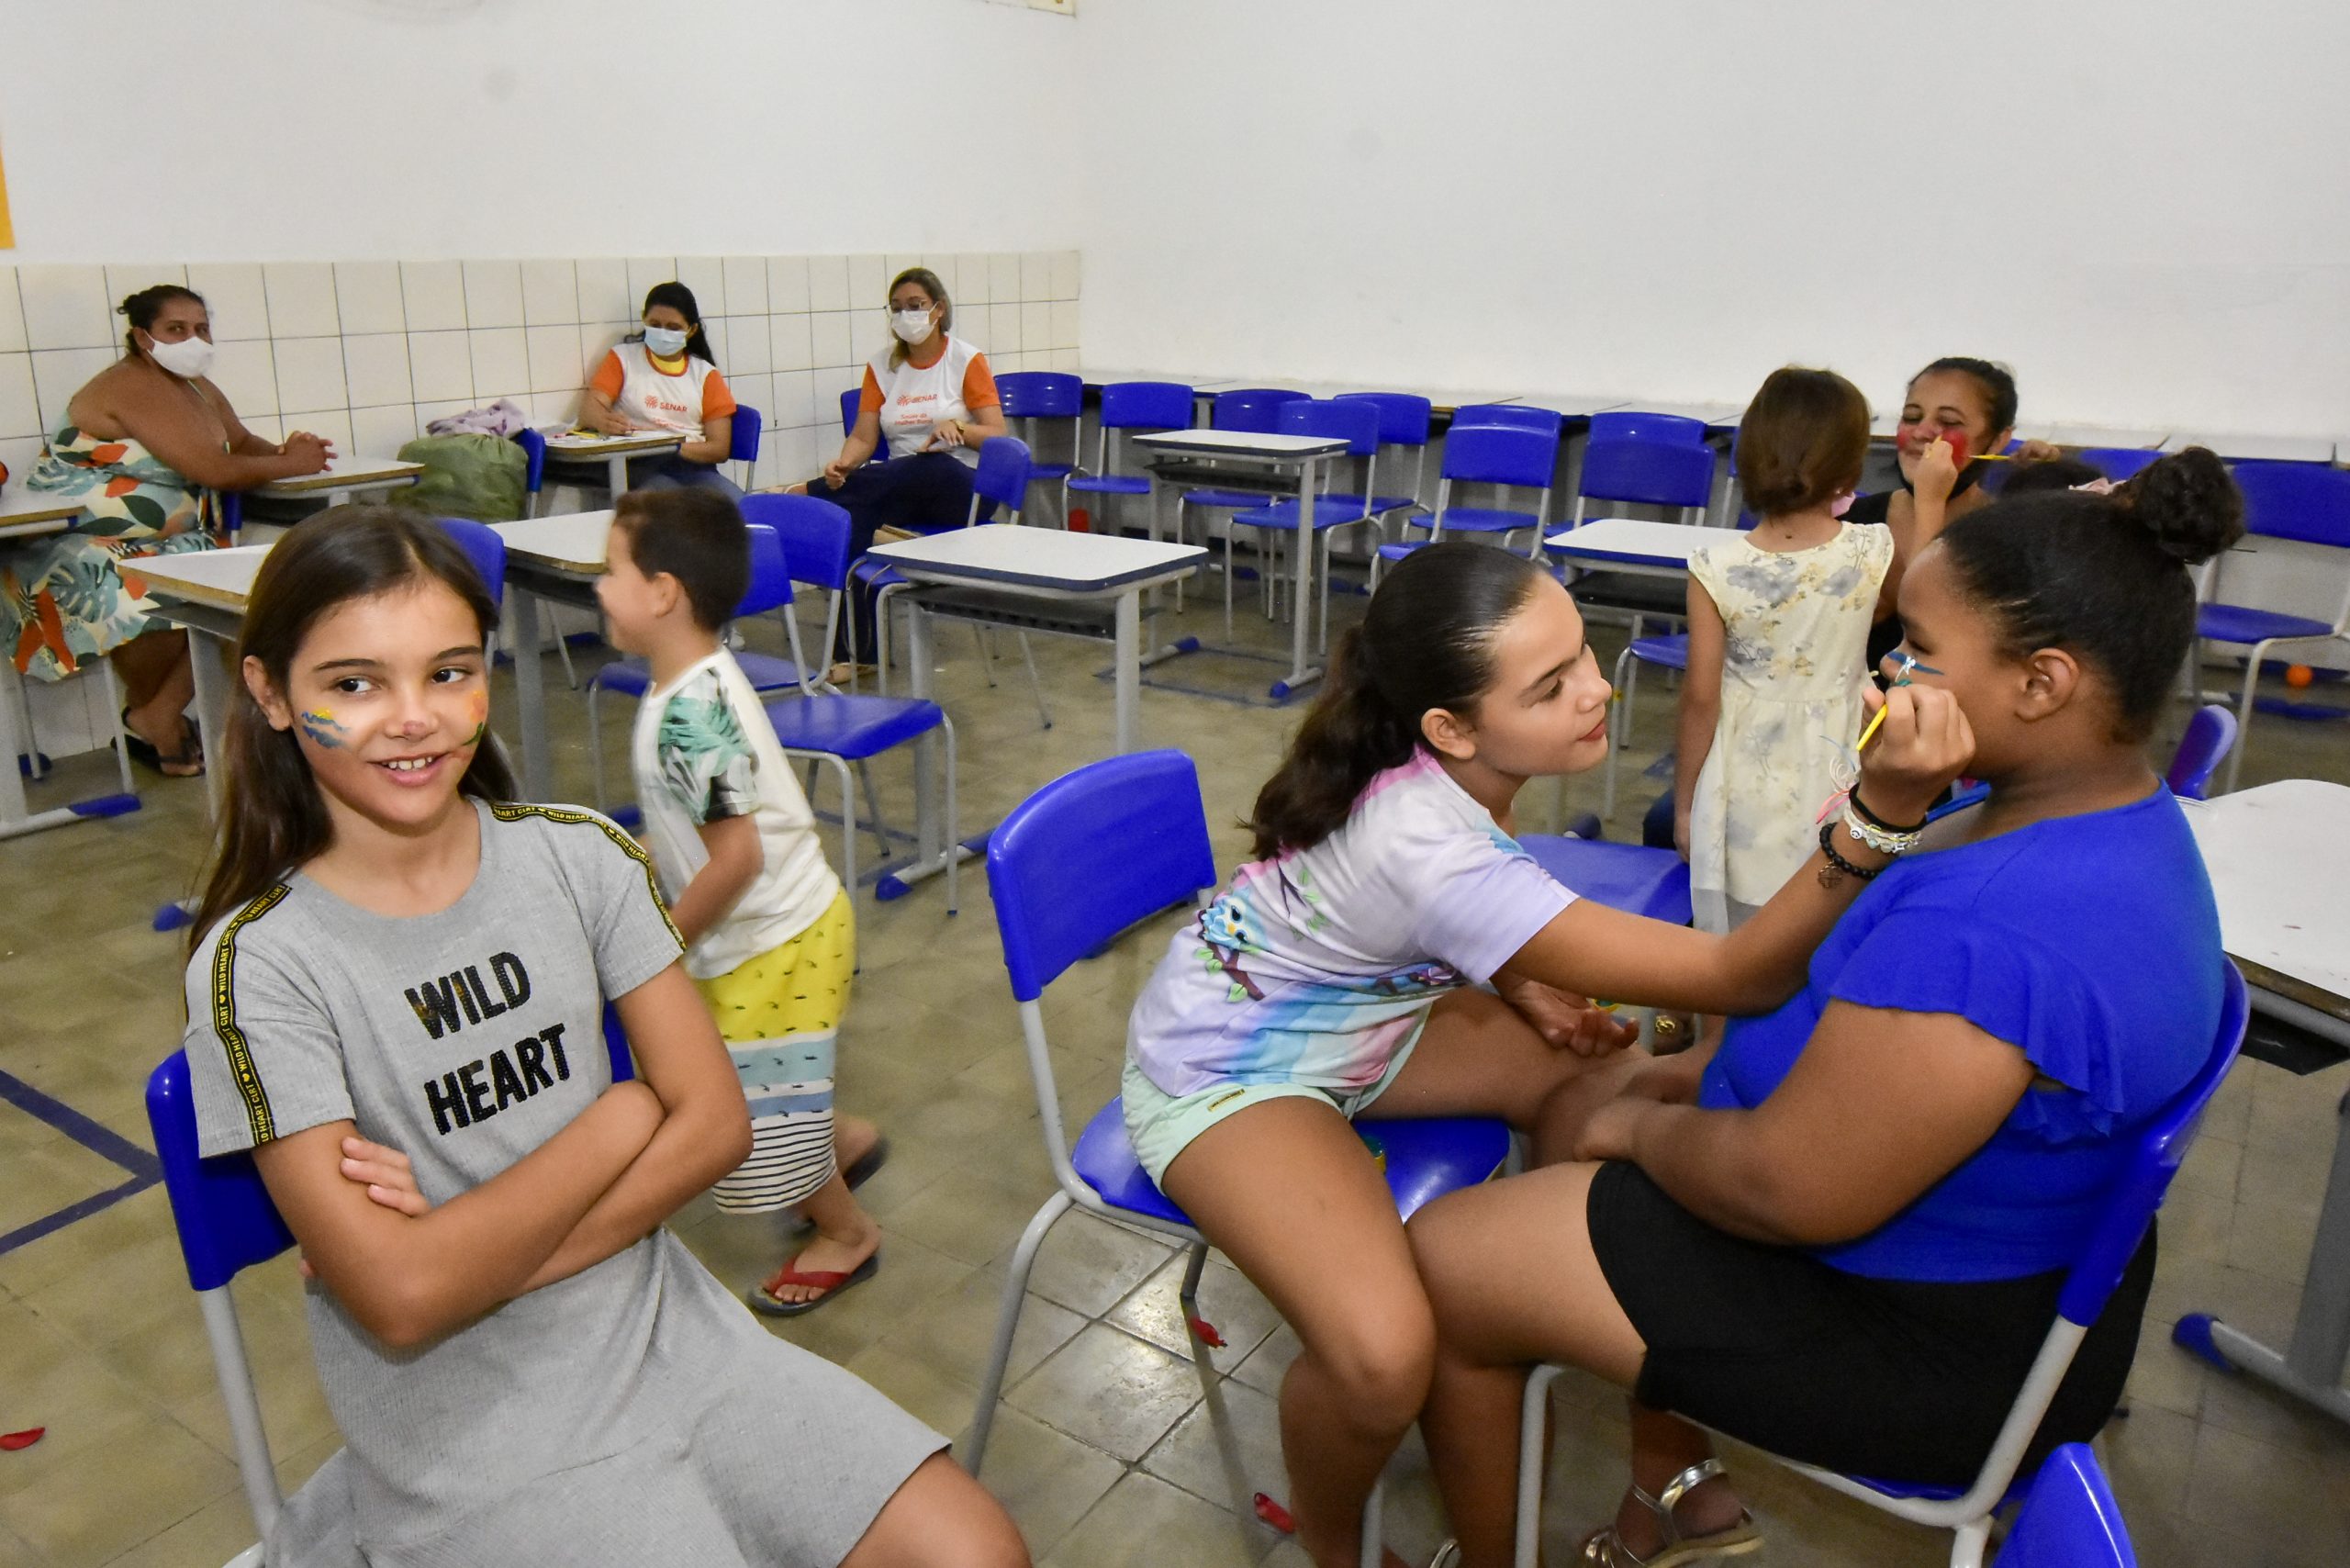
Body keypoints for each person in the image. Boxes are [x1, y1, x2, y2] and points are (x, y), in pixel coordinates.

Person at [1406, 451, 2244, 1568]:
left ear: (2042, 682)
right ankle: (1675, 1487)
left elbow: (1788, 1189)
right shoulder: (2091, 811)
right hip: (1951, 1248)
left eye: (1922, 647)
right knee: (1582, 1102)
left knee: (1445, 1259)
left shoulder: (1994, 927)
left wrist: (1644, 1129)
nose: (1890, 665)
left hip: (1921, 1336)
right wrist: (1680, 1076)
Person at [179, 507, 1025, 1568]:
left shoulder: (582, 858)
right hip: (469, 1421)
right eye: (355, 683)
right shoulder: (260, 965)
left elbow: (716, 1127)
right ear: (268, 692)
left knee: (976, 1550)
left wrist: (465, 1255)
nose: (415, 717)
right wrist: (622, 1118)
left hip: (671, 1331)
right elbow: (400, 1301)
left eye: (449, 672)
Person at [1120, 543, 1971, 1567]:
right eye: (1551, 684)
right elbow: (1739, 975)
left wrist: (1516, 975)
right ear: (1451, 725)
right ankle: (1330, 1547)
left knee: (1609, 1084)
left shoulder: (1437, 755)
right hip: (1227, 1067)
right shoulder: (1427, 840)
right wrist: (1881, 815)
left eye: (1584, 654)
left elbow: (1405, 913)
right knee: (1382, 1359)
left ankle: (1611, 1405)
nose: (1598, 690)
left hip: (1351, 1020)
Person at [596, 487, 888, 1315]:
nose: (599, 588)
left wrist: (658, 943)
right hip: (758, 933)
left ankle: (845, 1232)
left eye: (610, 571)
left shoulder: (693, 712)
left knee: (750, 1118)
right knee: (755, 1084)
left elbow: (737, 857)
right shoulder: (685, 683)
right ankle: (836, 1138)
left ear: (663, 593)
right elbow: (701, 829)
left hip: (779, 939)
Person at [3, 284, 332, 774]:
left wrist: (287, 451)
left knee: (247, 594)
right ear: (143, 337)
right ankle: (157, 719)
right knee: (142, 593)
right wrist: (291, 464)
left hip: (174, 542)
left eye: (201, 329)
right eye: (176, 329)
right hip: (79, 546)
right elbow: (214, 470)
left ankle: (155, 716)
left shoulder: (197, 388)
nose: (192, 339)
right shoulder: (127, 386)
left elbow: (240, 443)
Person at [1676, 367, 1898, 933]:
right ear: (1850, 466)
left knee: (1746, 922)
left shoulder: (1715, 568)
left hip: (1746, 761)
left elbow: (1701, 698)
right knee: (1834, 901)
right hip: (1841, 753)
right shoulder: (1874, 549)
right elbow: (1898, 612)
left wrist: (1684, 805)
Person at [787, 267, 1004, 680]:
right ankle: (858, 653)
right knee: (850, 515)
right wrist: (843, 465)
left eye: (915, 306)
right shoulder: (881, 366)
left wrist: (959, 428)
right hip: (901, 489)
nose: (906, 315)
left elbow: (997, 434)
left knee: (933, 464)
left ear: (938, 310)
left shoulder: (966, 360)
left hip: (963, 487)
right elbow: (863, 437)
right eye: (897, 308)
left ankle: (804, 493)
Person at [1847, 356, 2052, 674]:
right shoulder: (1855, 521)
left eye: (1950, 423)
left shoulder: (2008, 538)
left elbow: (1930, 631)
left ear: (1998, 440)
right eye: (1911, 417)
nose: (1922, 432)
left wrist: (1930, 502)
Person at [578, 282, 744, 497]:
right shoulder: (622, 358)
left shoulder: (706, 375)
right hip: (638, 467)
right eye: (655, 324)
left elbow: (719, 448)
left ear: (691, 330)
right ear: (644, 320)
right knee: (668, 500)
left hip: (694, 468)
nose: (663, 333)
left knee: (736, 504)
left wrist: (671, 448)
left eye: (673, 328)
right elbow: (588, 411)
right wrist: (604, 422)